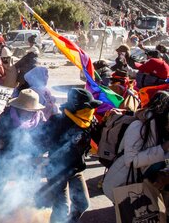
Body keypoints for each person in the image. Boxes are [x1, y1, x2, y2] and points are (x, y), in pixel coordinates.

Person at [36, 88, 102, 223]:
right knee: (61, 208)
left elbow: (101, 138)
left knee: (83, 204)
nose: (90, 111)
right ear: (77, 108)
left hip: (76, 170)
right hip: (56, 172)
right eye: (87, 107)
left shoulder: (89, 120)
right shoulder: (57, 121)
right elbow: (42, 142)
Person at [103, 91, 169, 202]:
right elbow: (131, 160)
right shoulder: (138, 127)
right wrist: (162, 148)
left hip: (148, 186)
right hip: (127, 184)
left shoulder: (161, 129)